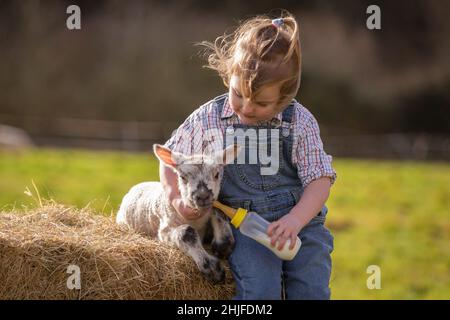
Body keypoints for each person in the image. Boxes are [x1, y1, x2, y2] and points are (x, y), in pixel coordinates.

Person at [160, 11, 336, 300]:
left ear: (285, 97)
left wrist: (295, 220)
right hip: (246, 226)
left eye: (262, 102)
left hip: (302, 226)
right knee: (259, 291)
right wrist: (176, 199)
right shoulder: (209, 119)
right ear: (229, 75)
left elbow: (320, 179)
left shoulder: (299, 122)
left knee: (311, 290)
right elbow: (169, 159)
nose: (247, 107)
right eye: (238, 94)